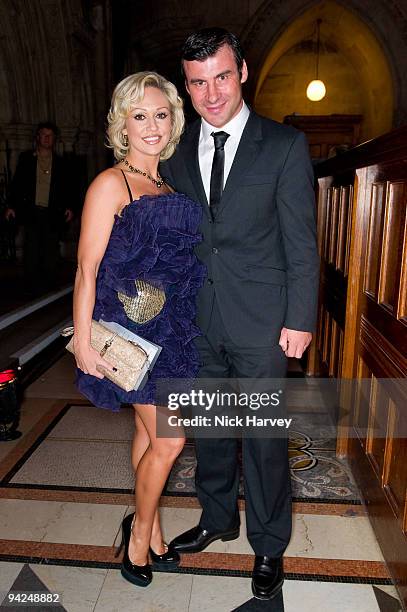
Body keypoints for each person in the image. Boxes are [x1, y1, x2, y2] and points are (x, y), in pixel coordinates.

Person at [161, 28, 319, 601]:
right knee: (212, 431)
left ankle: (269, 543)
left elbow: (302, 243)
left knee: (264, 440)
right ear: (187, 85)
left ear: (243, 72)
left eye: (221, 77)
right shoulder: (176, 152)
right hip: (199, 320)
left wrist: (300, 318)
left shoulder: (283, 145)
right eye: (198, 82)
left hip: (262, 320)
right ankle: (217, 517)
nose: (211, 93)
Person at [73, 72, 205, 587]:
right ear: (122, 124)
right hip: (128, 337)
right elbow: (87, 269)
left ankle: (147, 530)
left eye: (161, 114)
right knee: (171, 442)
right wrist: (83, 341)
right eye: (140, 115)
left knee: (149, 434)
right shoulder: (111, 184)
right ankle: (138, 535)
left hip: (170, 333)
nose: (152, 125)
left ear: (173, 121)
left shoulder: (167, 186)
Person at [5, 122, 74, 295]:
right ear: (38, 137)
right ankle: (31, 287)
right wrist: (11, 206)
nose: (47, 138)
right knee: (32, 249)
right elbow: (17, 184)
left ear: (54, 139)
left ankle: (50, 287)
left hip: (52, 212)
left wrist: (70, 207)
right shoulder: (27, 159)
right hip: (32, 210)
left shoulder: (61, 162)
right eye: (43, 135)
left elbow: (68, 187)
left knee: (51, 249)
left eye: (50, 135)